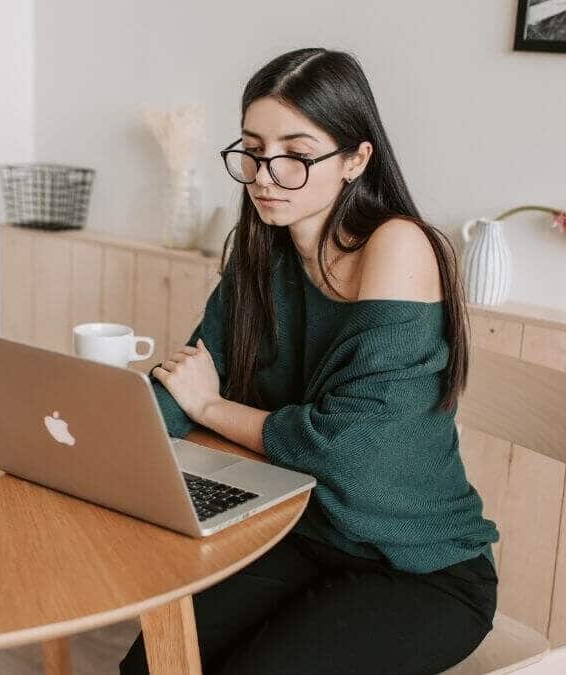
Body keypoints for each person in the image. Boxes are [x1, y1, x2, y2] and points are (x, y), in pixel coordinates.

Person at [119, 47, 499, 675]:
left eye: (296, 155)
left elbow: (344, 447)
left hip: (417, 565)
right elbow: (185, 380)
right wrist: (100, 435)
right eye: (253, 149)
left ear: (356, 158)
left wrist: (212, 406)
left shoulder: (397, 245)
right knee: (153, 667)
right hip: (298, 533)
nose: (266, 175)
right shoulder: (258, 253)